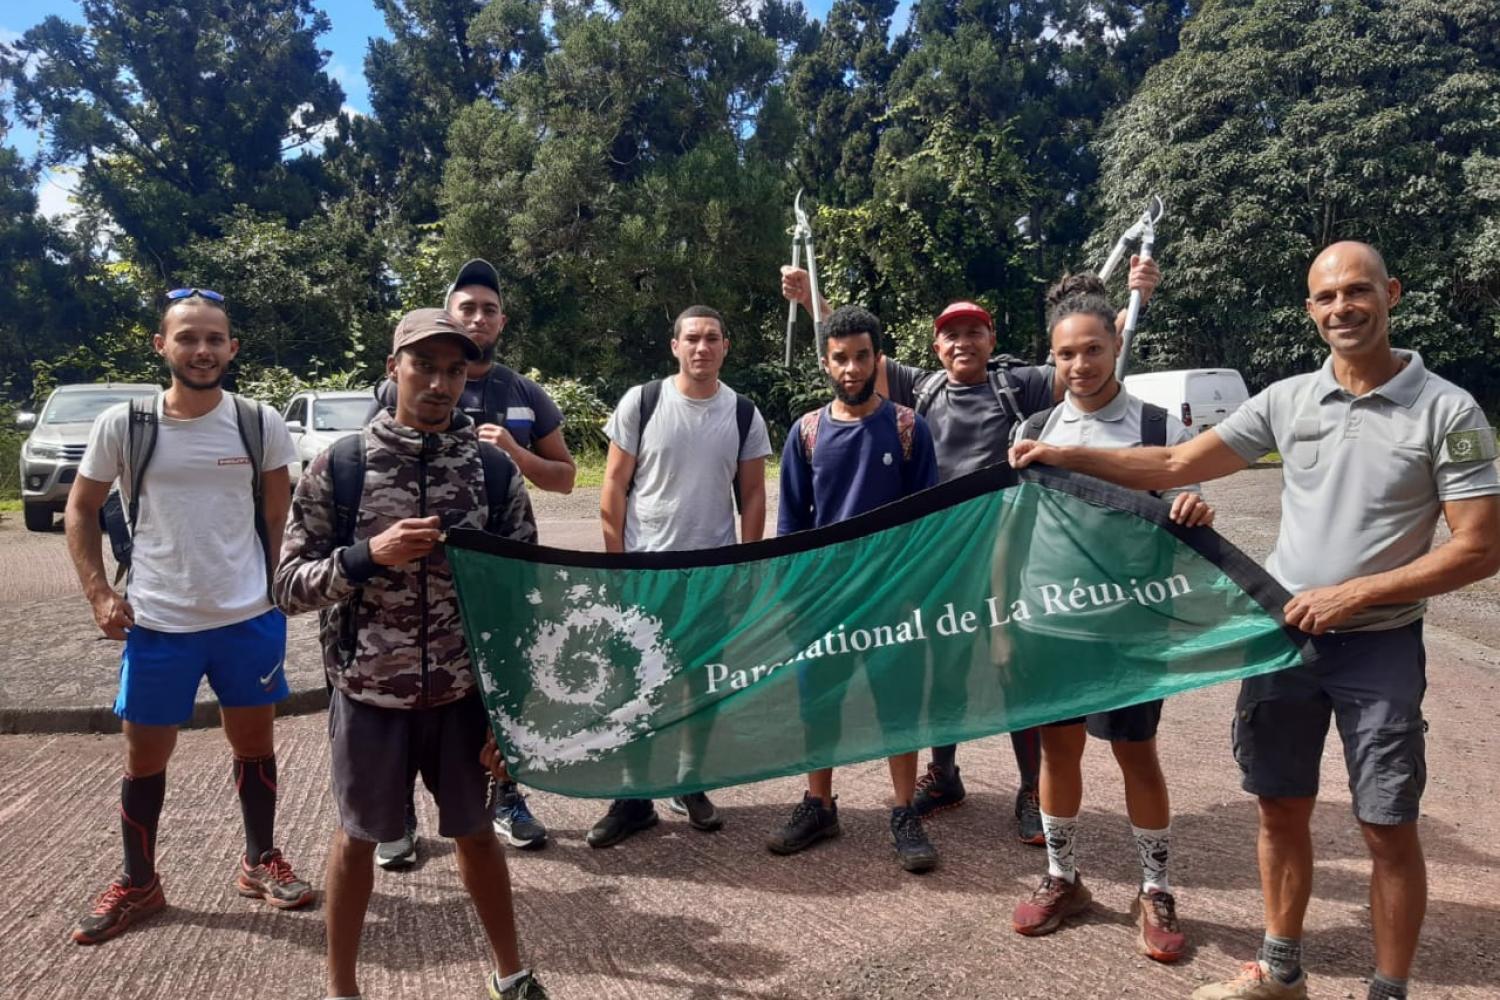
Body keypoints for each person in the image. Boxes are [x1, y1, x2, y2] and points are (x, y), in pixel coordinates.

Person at [1010, 242, 1500, 1000]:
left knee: (1386, 825)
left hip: (1379, 646)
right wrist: (1060, 453)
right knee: (1279, 808)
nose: (1343, 308)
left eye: (1357, 292)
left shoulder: (1448, 409)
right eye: (1326, 297)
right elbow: (1175, 467)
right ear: (1310, 310)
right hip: (1283, 637)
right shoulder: (1286, 400)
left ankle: (1388, 989)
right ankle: (1280, 971)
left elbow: (1480, 549)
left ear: (1391, 294)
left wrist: (1353, 594)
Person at [781, 258, 1161, 845]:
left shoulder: (1022, 386)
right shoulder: (920, 388)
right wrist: (812, 303)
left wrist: (1133, 301)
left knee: (1018, 674)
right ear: (937, 346)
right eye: (952, 334)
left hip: (1012, 553)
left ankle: (1032, 790)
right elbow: (854, 351)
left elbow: (1085, 354)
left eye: (974, 331)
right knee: (945, 674)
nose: (963, 342)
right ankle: (945, 774)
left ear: (991, 339)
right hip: (941, 561)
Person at [276, 308, 547, 1000]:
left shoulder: (491, 470)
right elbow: (287, 587)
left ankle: (512, 975)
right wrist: (369, 555)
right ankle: (342, 989)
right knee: (358, 838)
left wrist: (508, 712)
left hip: (462, 697)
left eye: (454, 370)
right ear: (393, 366)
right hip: (369, 695)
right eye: (423, 365)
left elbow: (525, 597)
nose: (438, 382)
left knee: (477, 836)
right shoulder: (340, 466)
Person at [64, 287, 312, 945]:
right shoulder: (127, 424)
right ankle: (139, 881)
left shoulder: (260, 423)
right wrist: (97, 593)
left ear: (231, 348)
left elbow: (276, 518)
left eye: (214, 339)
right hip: (158, 621)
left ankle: (260, 861)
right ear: (162, 345)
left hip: (247, 617)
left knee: (255, 745)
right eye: (187, 338)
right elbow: (80, 508)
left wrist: (279, 594)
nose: (201, 350)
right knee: (145, 756)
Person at [1006, 273, 1214, 962]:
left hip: (1129, 624)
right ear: (1052, 356)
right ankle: (1065, 877)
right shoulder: (1035, 428)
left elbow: (1189, 500)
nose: (1079, 365)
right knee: (1056, 753)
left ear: (1116, 341)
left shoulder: (1157, 424)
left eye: (1092, 349)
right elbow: (1012, 528)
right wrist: (1006, 619)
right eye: (1065, 354)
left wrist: (1192, 506)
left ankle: (1154, 889)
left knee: (1136, 756)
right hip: (1050, 619)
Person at [371, 259, 575, 864]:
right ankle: (397, 815)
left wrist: (513, 452)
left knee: (498, 700)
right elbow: (369, 475)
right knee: (404, 706)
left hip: (490, 585)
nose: (479, 317)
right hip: (407, 590)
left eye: (489, 309)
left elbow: (565, 478)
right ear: (449, 313)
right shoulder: (397, 386)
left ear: (501, 320)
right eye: (468, 307)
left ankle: (507, 801)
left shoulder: (523, 393)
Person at [589, 304, 772, 847]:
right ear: (675, 346)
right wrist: (617, 564)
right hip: (646, 574)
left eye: (712, 338)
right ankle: (633, 797)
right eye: (691, 338)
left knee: (699, 686)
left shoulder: (742, 413)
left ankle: (692, 782)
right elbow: (613, 487)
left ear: (725, 346)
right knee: (634, 686)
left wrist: (744, 564)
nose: (701, 348)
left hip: (709, 578)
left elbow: (754, 494)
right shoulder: (642, 402)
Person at [767, 305, 942, 873]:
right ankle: (819, 804)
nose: (851, 367)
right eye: (839, 358)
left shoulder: (908, 427)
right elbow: (792, 521)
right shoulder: (807, 432)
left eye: (862, 355)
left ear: (877, 358)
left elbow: (928, 520)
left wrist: (916, 591)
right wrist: (795, 595)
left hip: (894, 598)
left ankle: (903, 810)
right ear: (825, 361)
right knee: (820, 704)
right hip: (825, 600)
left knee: (898, 706)